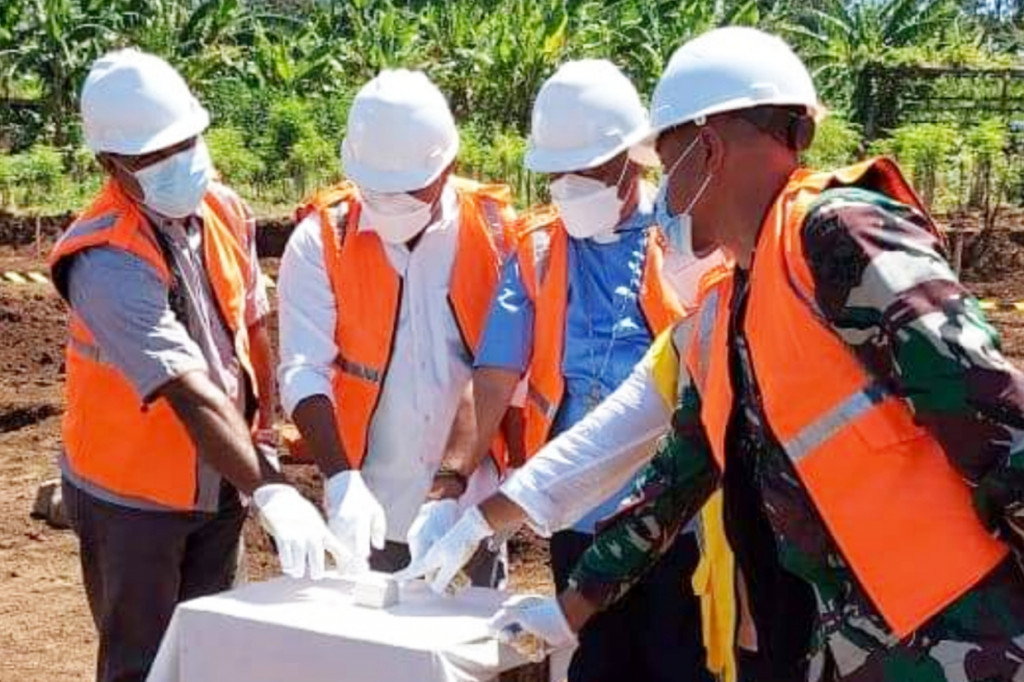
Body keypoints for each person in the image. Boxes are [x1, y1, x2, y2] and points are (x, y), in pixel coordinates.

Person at [401, 27, 1024, 682]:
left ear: (706, 148)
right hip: (856, 639)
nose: (665, 194)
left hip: (961, 636)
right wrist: (569, 610)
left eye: (667, 168)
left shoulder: (834, 234)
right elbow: (669, 483)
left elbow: (990, 410)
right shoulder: (727, 312)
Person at [410, 58, 715, 682]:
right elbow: (494, 375)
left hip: (676, 508)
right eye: (557, 174)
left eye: (588, 170)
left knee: (681, 663)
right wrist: (449, 488)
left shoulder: (687, 239)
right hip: (575, 509)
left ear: (634, 159)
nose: (569, 186)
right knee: (597, 664)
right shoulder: (540, 248)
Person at [49, 49, 342, 682]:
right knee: (144, 663)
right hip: (134, 496)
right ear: (112, 165)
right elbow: (188, 389)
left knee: (214, 653)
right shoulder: (105, 257)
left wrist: (261, 443)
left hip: (220, 478)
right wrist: (272, 489)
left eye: (186, 141)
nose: (180, 160)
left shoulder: (223, 209)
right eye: (155, 154)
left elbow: (250, 330)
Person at [277, 69, 518, 581]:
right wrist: (342, 480)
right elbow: (303, 369)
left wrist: (457, 490)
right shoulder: (323, 239)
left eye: (408, 191)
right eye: (375, 190)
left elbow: (500, 370)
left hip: (467, 511)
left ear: (448, 166)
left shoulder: (496, 231)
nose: (389, 205)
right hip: (367, 511)